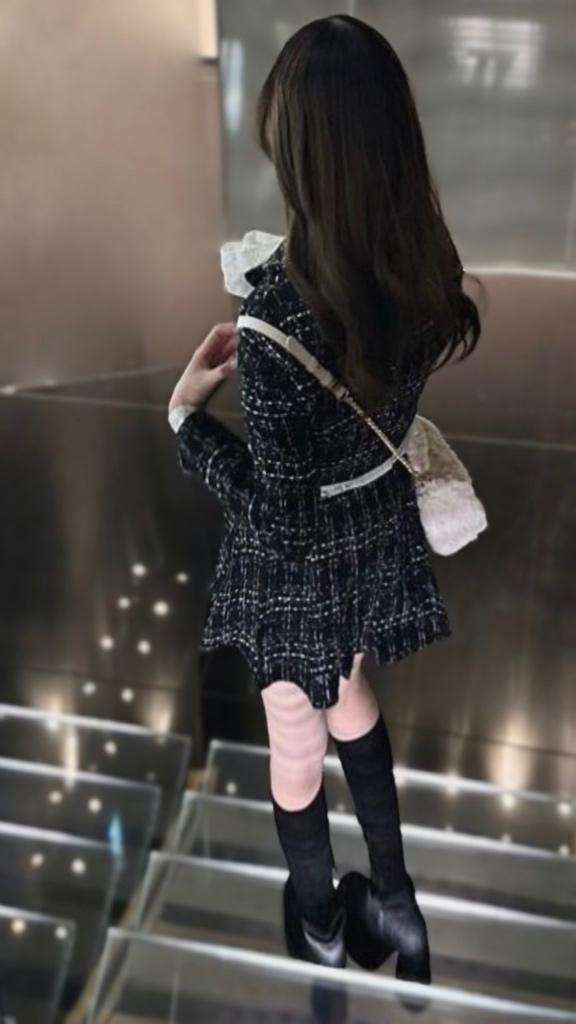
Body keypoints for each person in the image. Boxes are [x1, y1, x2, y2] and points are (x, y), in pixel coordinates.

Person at [168, 14, 482, 982]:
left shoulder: (274, 318)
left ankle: (320, 924)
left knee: (294, 737)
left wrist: (185, 420)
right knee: (345, 686)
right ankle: (398, 902)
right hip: (375, 540)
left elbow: (280, 512)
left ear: (298, 151)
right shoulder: (425, 268)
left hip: (297, 574)